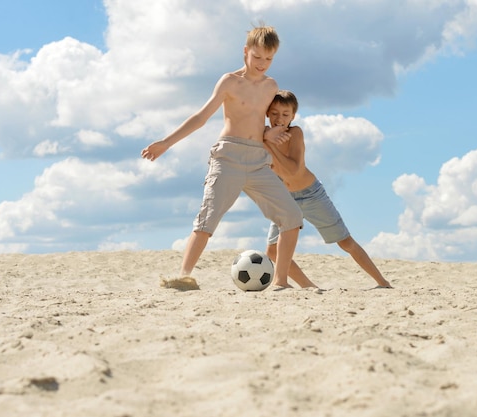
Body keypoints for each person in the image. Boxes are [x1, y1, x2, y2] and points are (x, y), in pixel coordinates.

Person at [141, 26, 303, 290]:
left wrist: (268, 133)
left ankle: (281, 281)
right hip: (228, 157)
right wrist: (166, 143)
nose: (262, 64)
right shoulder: (229, 81)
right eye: (257, 57)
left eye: (269, 59)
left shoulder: (271, 86)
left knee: (292, 216)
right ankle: (183, 277)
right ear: (245, 52)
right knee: (207, 220)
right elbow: (201, 118)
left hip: (258, 161)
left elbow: (266, 122)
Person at [263, 90, 392, 289]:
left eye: (285, 114)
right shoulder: (262, 136)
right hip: (286, 198)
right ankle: (309, 286)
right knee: (272, 250)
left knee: (345, 242)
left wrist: (268, 144)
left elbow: (292, 170)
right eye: (274, 113)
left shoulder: (295, 133)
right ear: (267, 113)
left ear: (293, 116)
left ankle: (382, 283)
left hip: (311, 194)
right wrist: (264, 136)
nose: (279, 118)